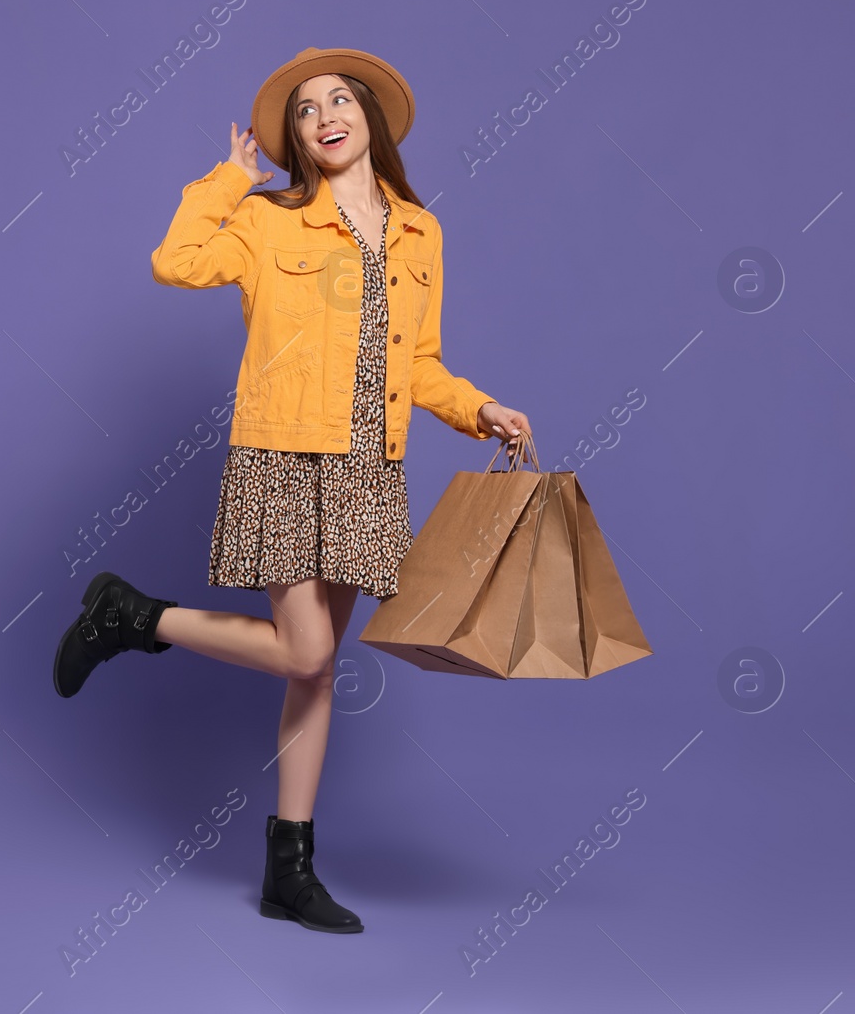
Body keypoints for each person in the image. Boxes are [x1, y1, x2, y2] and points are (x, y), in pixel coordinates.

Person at [53, 48, 532, 934]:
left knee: (317, 674)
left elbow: (419, 364)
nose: (324, 115)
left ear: (369, 118)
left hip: (366, 466)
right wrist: (227, 181)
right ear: (296, 138)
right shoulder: (269, 222)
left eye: (339, 99)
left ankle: (290, 868)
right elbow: (174, 260)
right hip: (283, 456)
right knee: (305, 653)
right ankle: (130, 616)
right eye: (306, 109)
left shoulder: (420, 232)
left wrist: (481, 409)